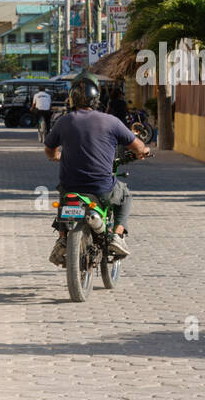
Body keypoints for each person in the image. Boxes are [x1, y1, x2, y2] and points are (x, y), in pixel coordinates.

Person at [44, 73, 150, 265]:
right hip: (101, 188)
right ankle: (116, 236)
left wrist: (55, 156)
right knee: (125, 195)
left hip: (70, 186)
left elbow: (49, 149)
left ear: (72, 98)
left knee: (64, 200)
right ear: (96, 99)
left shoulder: (64, 121)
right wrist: (144, 151)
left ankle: (61, 238)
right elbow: (138, 146)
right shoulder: (111, 121)